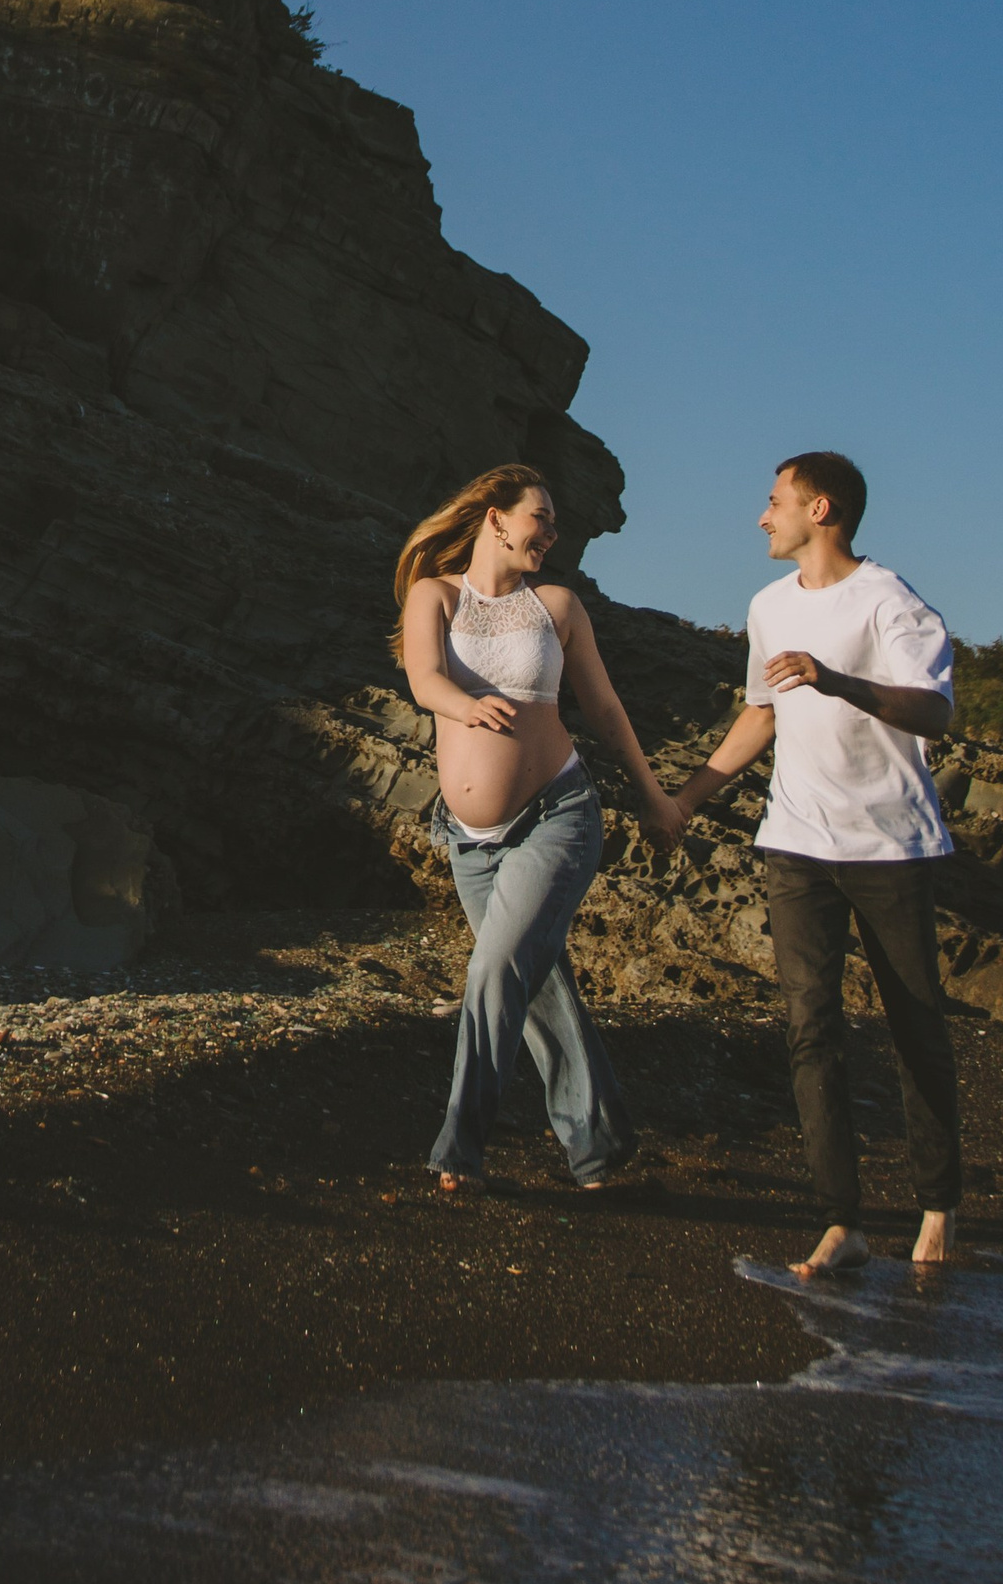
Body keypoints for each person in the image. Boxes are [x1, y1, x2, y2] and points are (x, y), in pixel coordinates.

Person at [667, 452, 962, 1273]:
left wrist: (837, 680)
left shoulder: (891, 602)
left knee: (915, 1029)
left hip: (893, 847)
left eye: (774, 502)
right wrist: (684, 803)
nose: (763, 518)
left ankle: (938, 1210)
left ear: (819, 509)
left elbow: (935, 711)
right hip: (795, 844)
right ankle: (842, 1222)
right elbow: (759, 718)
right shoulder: (766, 607)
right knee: (811, 1030)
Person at [395, 462, 679, 1196]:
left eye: (553, 523)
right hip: (467, 839)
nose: (550, 534)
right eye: (540, 518)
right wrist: (464, 706)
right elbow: (424, 679)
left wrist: (656, 799)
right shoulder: (434, 595)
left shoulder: (557, 606)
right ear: (494, 516)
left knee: (494, 972)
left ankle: (458, 1149)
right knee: (536, 979)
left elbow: (608, 710)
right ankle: (600, 1146)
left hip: (558, 814)